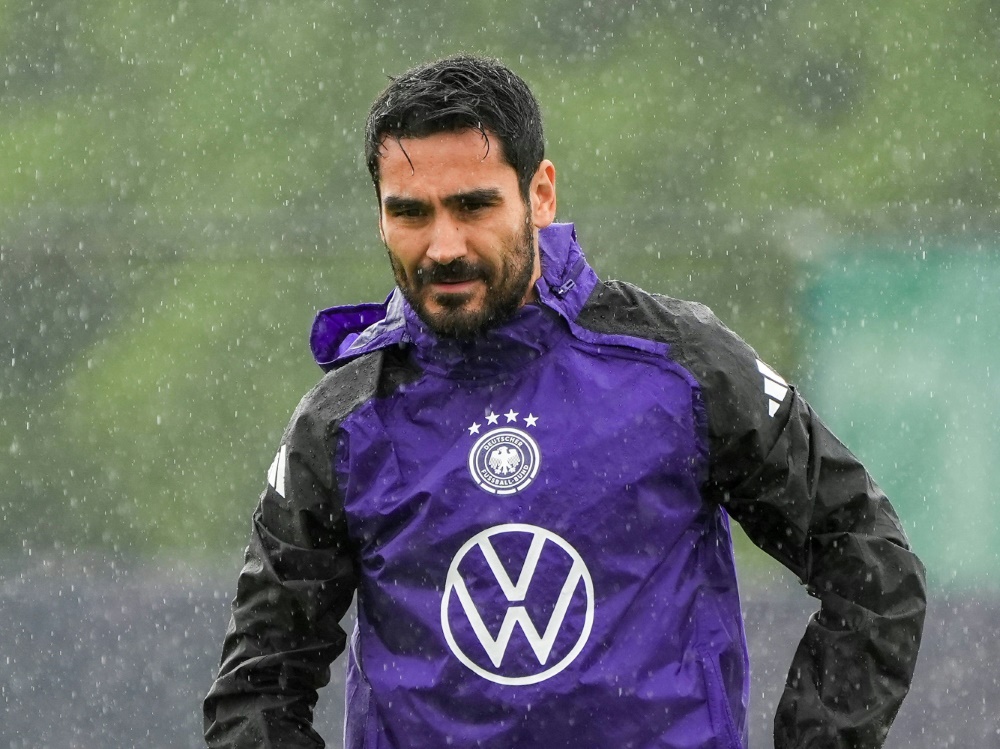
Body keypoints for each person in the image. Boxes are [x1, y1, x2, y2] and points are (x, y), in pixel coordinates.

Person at [204, 54, 926, 749]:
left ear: (540, 193)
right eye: (411, 212)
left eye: (474, 204)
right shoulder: (342, 424)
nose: (443, 244)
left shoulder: (683, 367)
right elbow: (258, 689)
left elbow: (871, 565)